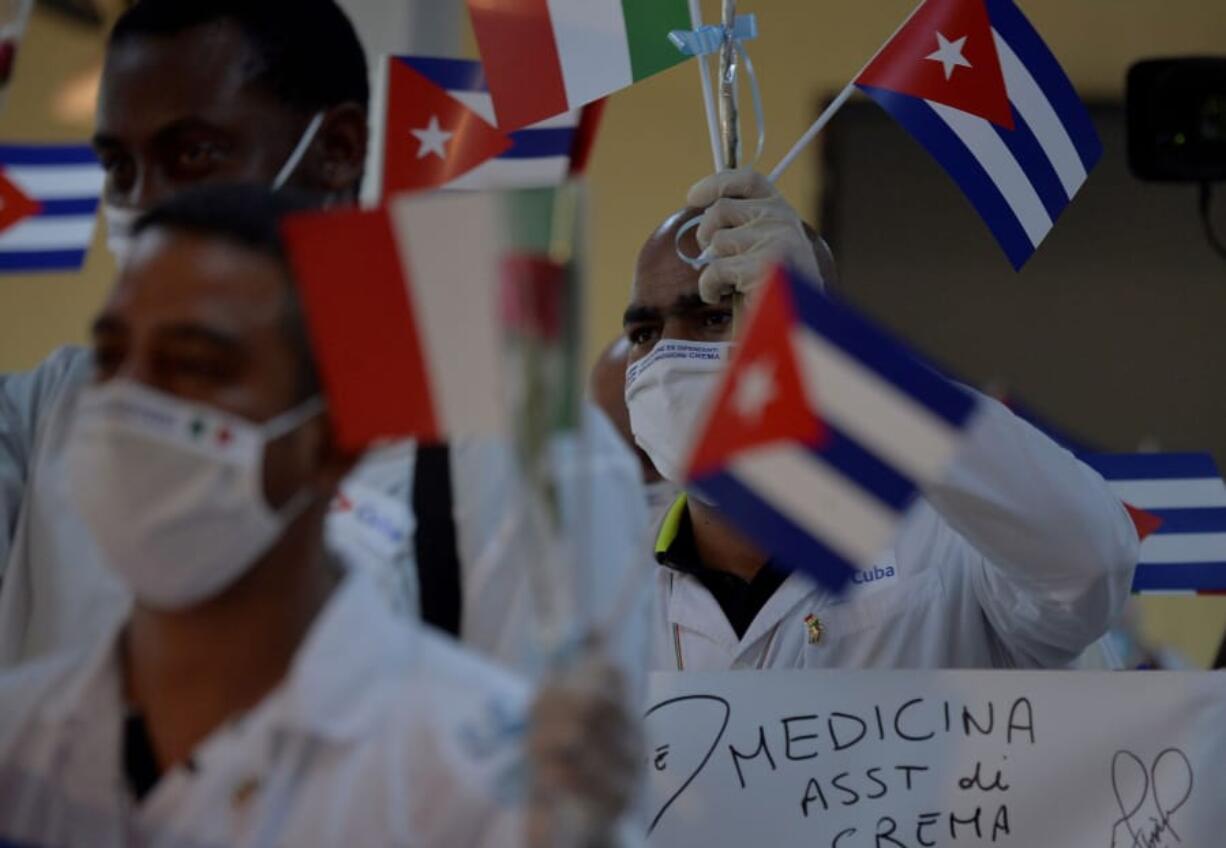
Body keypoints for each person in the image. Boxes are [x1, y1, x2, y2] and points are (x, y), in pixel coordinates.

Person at [0, 0, 650, 683]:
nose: (146, 204)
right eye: (119, 169)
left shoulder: (510, 442)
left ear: (337, 150)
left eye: (193, 154)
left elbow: (563, 767)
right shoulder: (49, 414)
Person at [0, 185, 641, 846]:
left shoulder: (484, 783)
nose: (126, 405)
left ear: (332, 440)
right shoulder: (15, 745)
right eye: (109, 358)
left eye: (193, 365)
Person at [624, 169, 1139, 671]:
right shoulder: (607, 585)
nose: (668, 358)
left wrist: (841, 364)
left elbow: (1090, 567)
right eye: (644, 333)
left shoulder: (953, 542)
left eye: (715, 317)